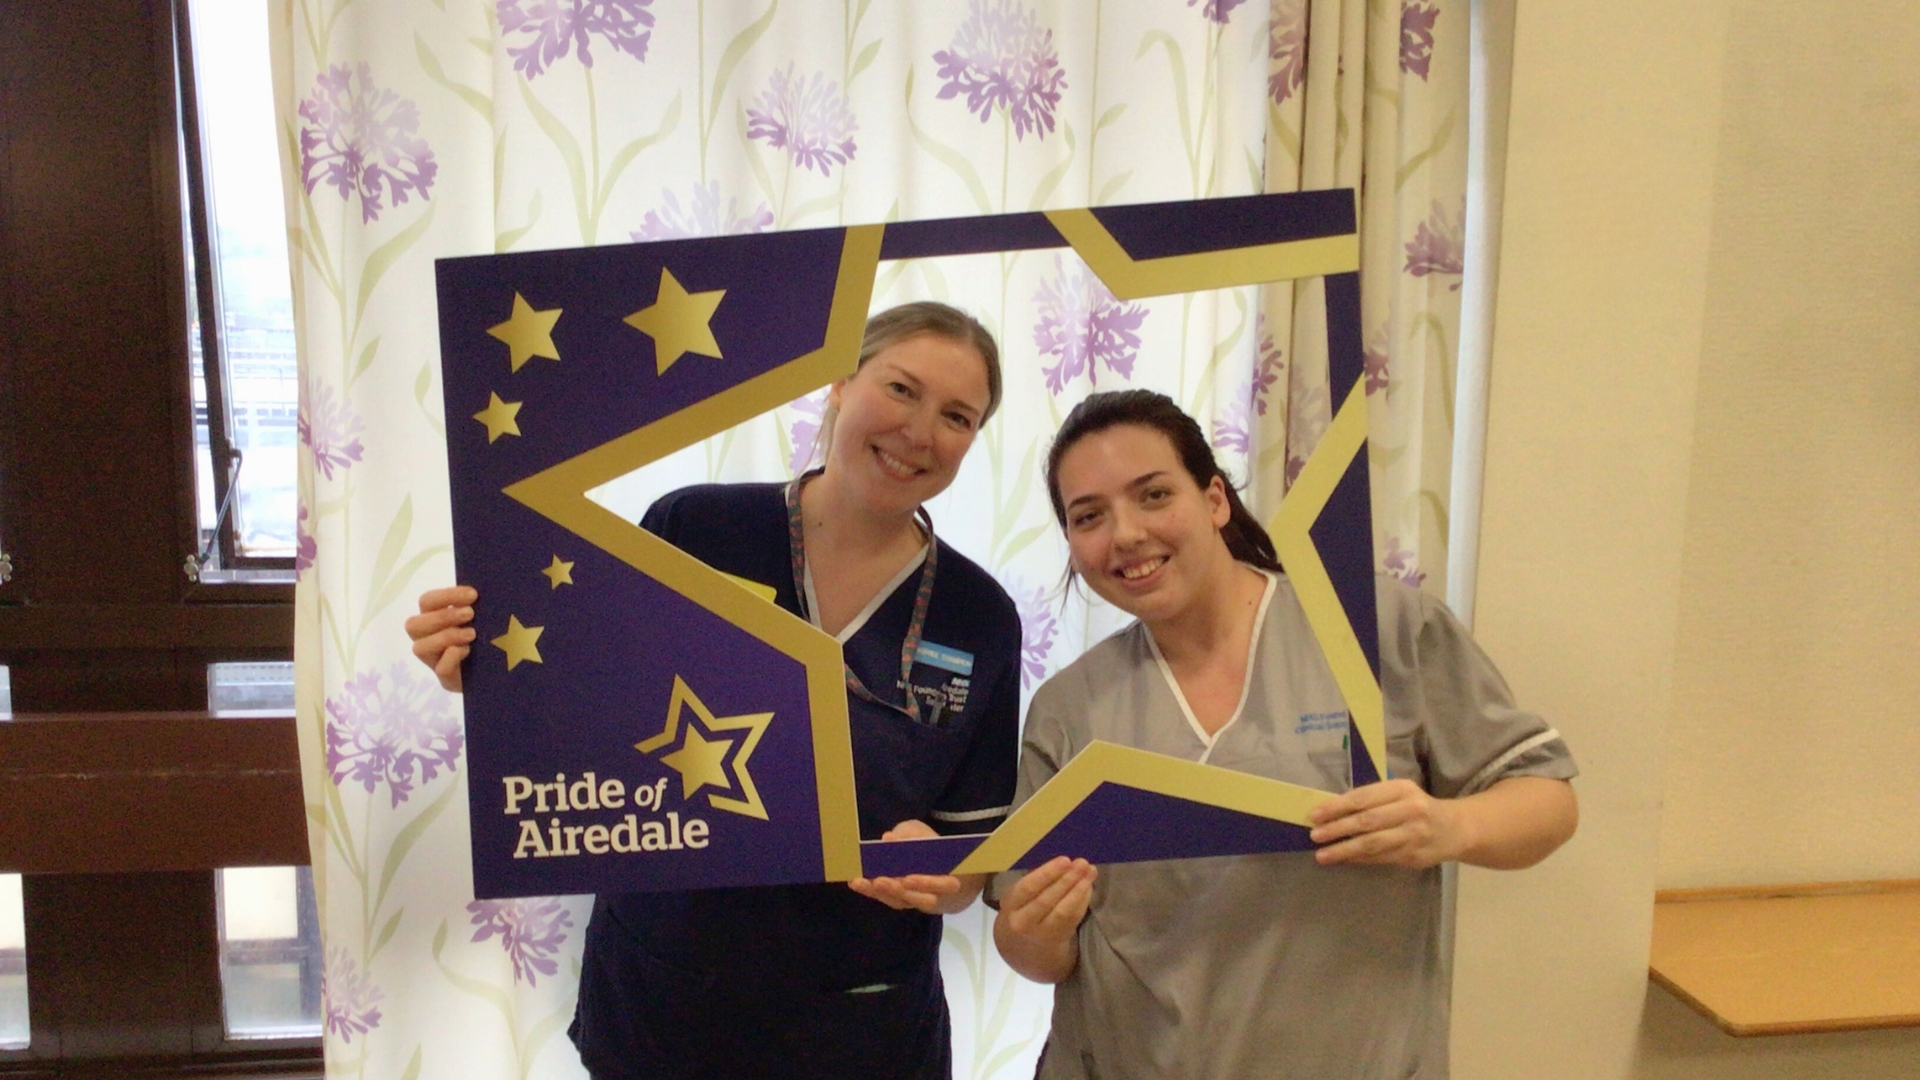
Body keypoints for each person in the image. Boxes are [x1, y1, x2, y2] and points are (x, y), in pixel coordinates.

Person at [407, 302, 1024, 1080]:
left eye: (957, 416)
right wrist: (483, 667)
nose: (921, 431)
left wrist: (940, 876)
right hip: (666, 1003)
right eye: (901, 389)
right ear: (839, 381)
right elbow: (587, 708)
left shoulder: (980, 616)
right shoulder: (695, 530)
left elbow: (972, 863)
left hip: (859, 1022)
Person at [992, 389, 1578, 1080]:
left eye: (1153, 495)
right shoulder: (1069, 708)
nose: (1124, 534)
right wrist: (1037, 931)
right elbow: (1036, 952)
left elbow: (1548, 800)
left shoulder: (1373, 630)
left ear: (1215, 500)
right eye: (1089, 516)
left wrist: (1448, 826)